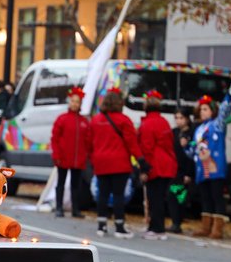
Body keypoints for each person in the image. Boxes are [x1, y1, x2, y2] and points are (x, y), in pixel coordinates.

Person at [90, 89, 148, 238]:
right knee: (118, 195)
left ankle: (101, 226)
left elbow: (89, 142)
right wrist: (141, 159)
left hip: (101, 162)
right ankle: (119, 227)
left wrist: (92, 158)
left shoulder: (96, 120)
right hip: (119, 163)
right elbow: (131, 143)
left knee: (102, 194)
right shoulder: (124, 120)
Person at [192, 90, 231, 239]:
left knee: (217, 196)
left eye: (205, 109)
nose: (202, 112)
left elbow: (225, 110)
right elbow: (194, 147)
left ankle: (217, 228)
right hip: (201, 168)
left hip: (215, 167)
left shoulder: (218, 125)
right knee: (205, 197)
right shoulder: (198, 129)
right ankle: (206, 226)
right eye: (201, 110)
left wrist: (230, 93)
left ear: (212, 110)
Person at [137, 90, 177, 239]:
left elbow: (146, 149)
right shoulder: (164, 122)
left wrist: (145, 169)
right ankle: (155, 226)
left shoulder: (147, 124)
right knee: (160, 197)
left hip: (156, 164)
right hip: (167, 163)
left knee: (155, 198)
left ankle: (157, 229)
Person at [50, 86, 90, 218]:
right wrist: (56, 154)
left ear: (80, 104)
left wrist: (86, 155)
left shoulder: (84, 121)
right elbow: (55, 138)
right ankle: (59, 207)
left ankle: (75, 209)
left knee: (76, 185)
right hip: (63, 157)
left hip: (78, 159)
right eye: (73, 101)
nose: (74, 104)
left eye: (77, 102)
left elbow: (88, 140)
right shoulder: (62, 119)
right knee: (60, 182)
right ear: (69, 102)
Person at [168, 110, 194, 233]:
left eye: (181, 118)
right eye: (177, 118)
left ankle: (178, 222)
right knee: (172, 195)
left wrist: (189, 173)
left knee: (181, 197)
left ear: (187, 119)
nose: (179, 121)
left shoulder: (192, 133)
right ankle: (175, 222)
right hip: (174, 168)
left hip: (185, 169)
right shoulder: (174, 132)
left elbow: (193, 154)